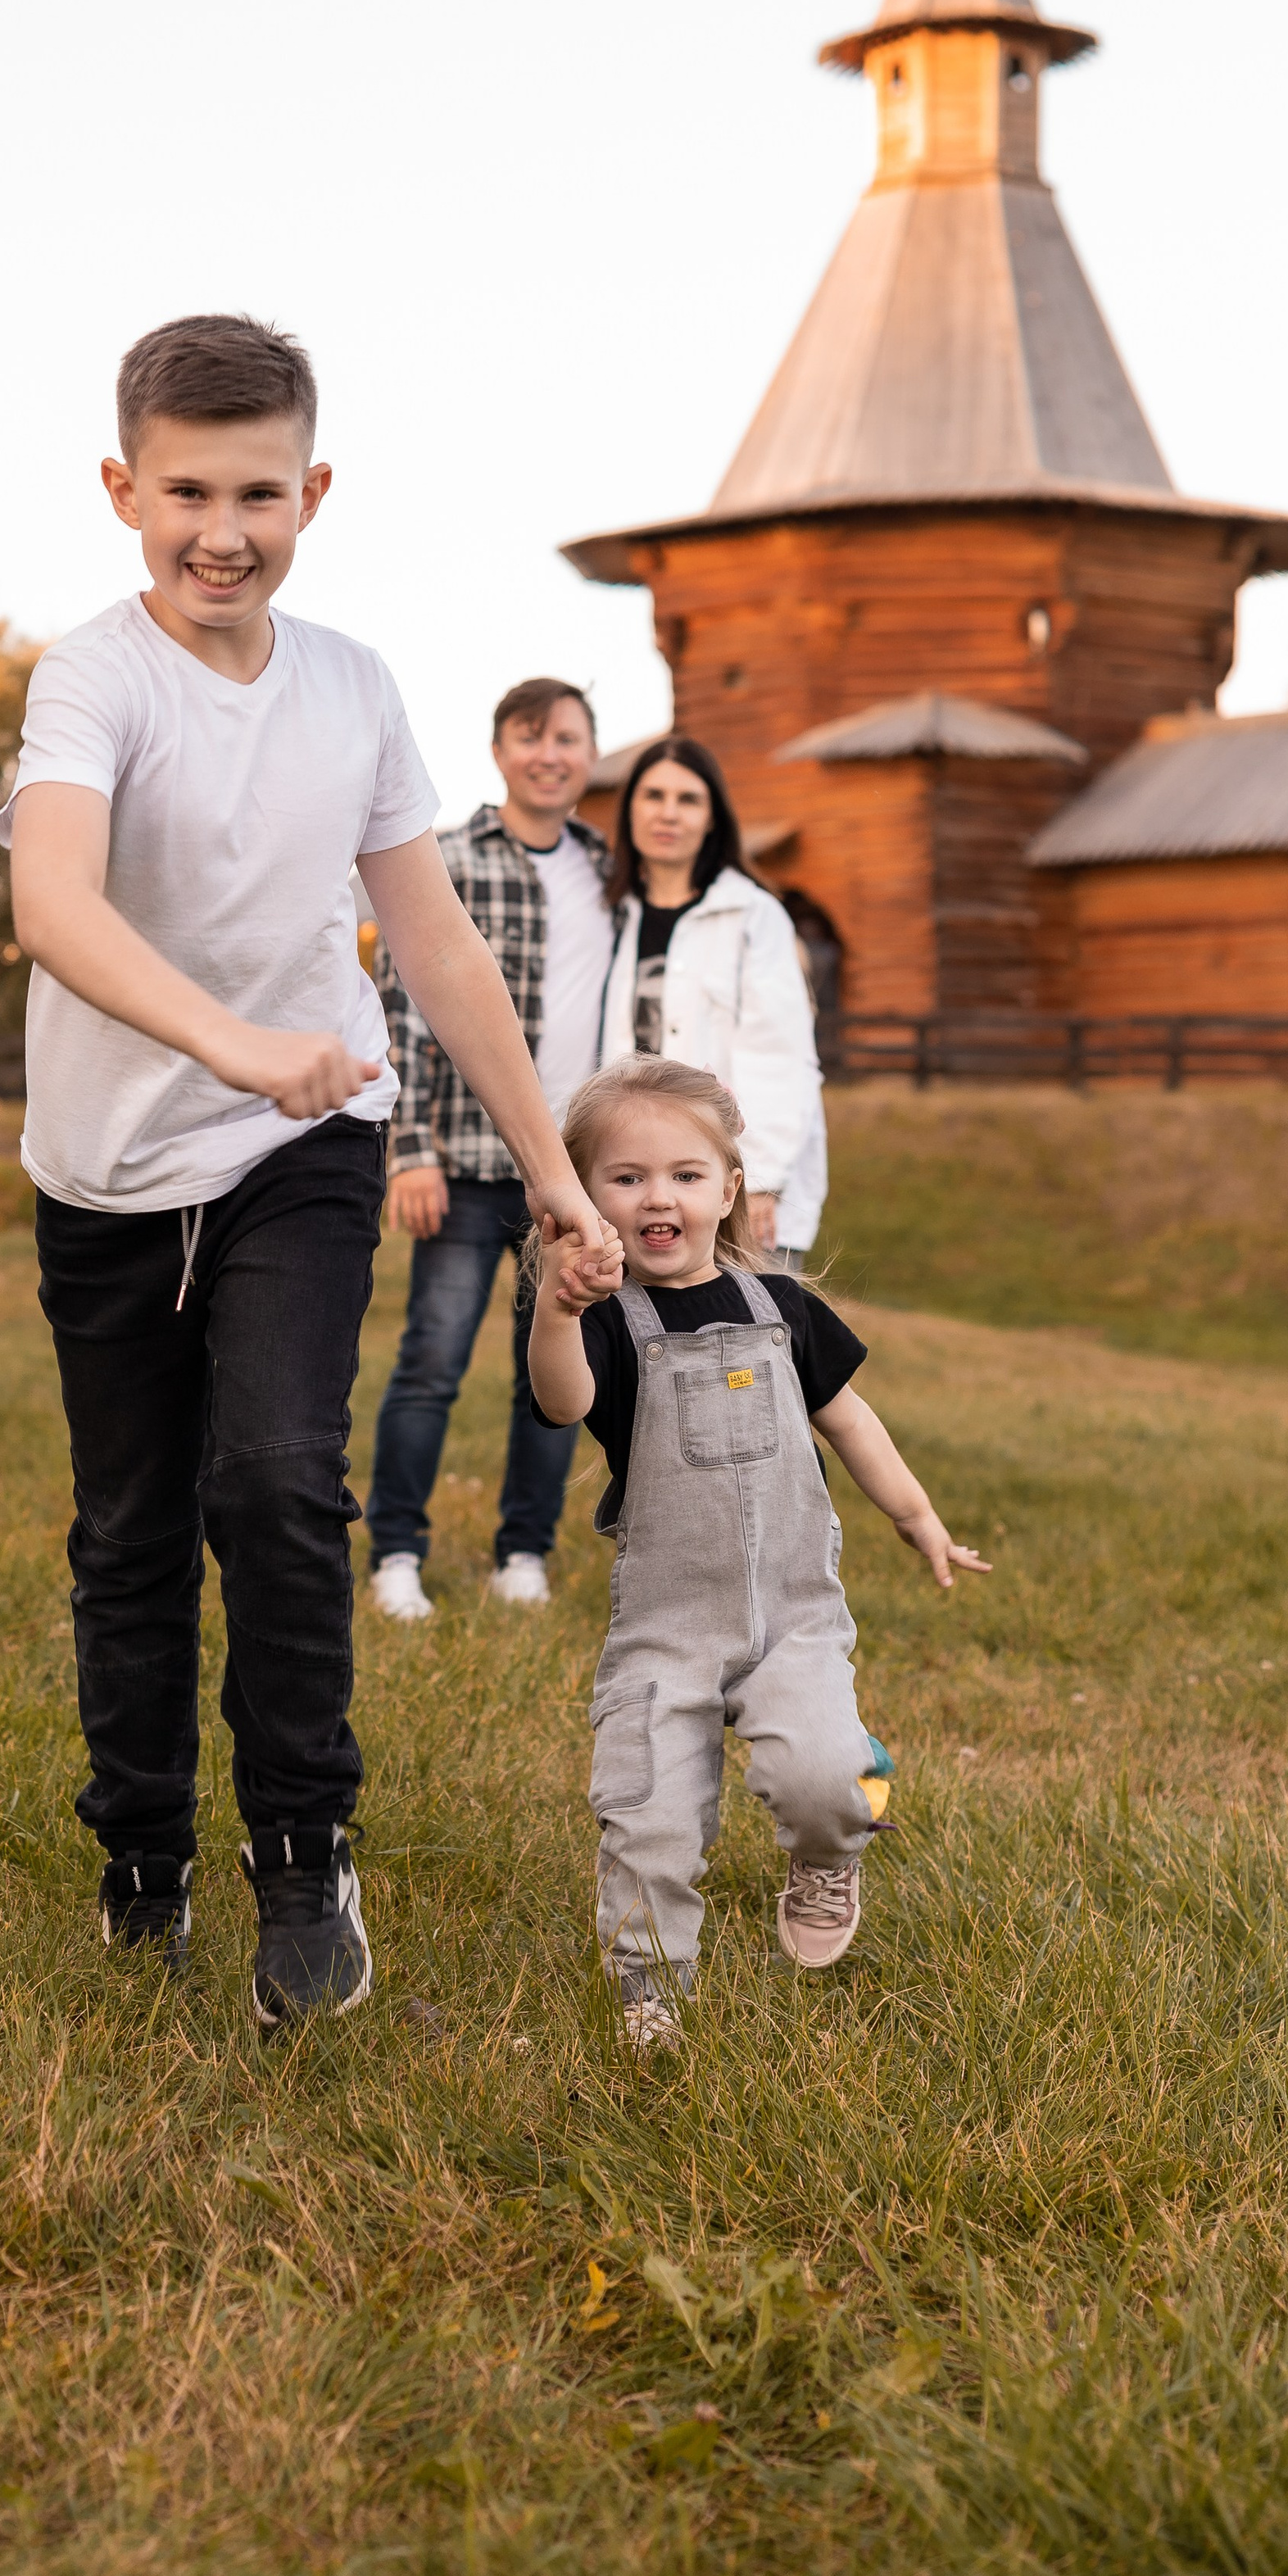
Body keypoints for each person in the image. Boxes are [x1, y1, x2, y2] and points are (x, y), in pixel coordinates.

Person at [0, 314, 615, 2034]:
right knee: (128, 1533)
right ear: (122, 489)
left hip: (305, 1146)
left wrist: (551, 1168)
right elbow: (51, 905)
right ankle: (141, 1858)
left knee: (271, 1482)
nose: (221, 528)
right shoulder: (92, 677)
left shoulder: (352, 684)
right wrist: (231, 1040)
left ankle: (301, 1855)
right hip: (112, 1172)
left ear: (311, 491)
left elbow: (430, 940)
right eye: (184, 489)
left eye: (256, 491)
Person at [528, 1058, 988, 2048]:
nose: (658, 1197)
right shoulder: (607, 1323)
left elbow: (851, 1421)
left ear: (727, 1191)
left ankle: (833, 1849)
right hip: (668, 1627)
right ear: (585, 1198)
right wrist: (555, 1307)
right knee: (646, 1812)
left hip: (793, 1617)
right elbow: (562, 1402)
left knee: (826, 1779)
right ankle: (651, 1987)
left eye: (686, 1175)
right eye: (626, 1177)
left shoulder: (782, 1307)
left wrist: (917, 1518)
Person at [364, 677, 615, 1619]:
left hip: (574, 1173)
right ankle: (395, 1553)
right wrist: (410, 1148)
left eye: (567, 737)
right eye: (529, 736)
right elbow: (405, 1003)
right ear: (500, 750)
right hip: (467, 1160)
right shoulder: (449, 857)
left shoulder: (605, 872)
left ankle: (524, 1551)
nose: (549, 753)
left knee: (553, 1369)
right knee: (431, 1358)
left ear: (590, 753)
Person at [598, 736, 826, 1263]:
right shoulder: (613, 916)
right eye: (654, 795)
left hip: (736, 1189)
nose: (668, 813)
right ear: (630, 808)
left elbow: (780, 1054)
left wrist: (762, 1178)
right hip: (641, 1187)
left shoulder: (753, 915)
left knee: (751, 1337)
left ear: (712, 818)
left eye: (688, 799)